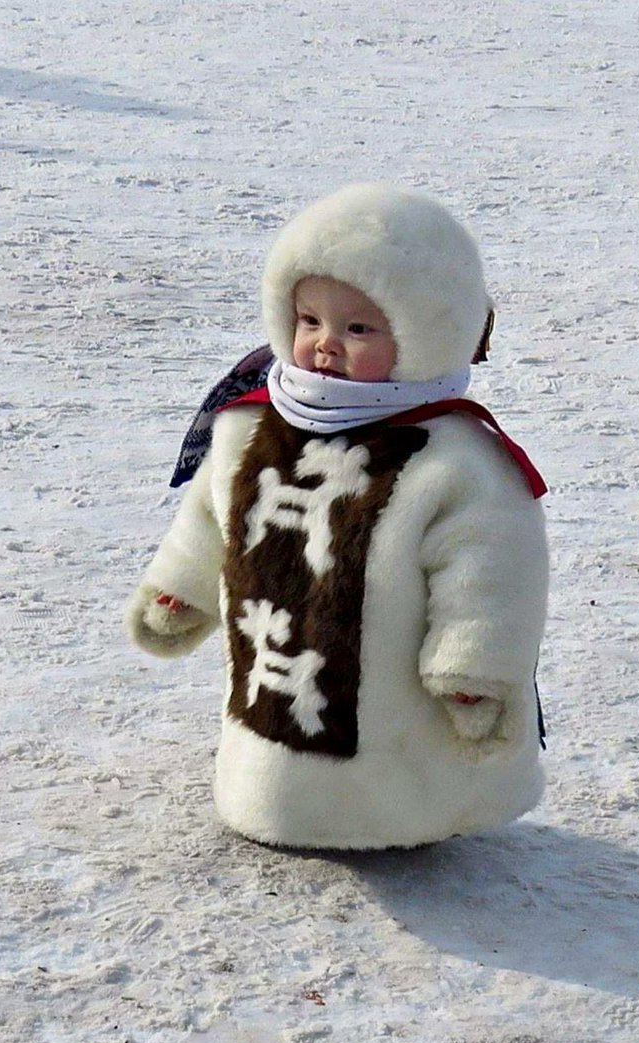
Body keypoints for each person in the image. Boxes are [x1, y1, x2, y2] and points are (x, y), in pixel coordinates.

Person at [125, 183, 549, 850]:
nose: (325, 345)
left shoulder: (456, 463)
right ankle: (277, 804)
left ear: (425, 329)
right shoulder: (253, 425)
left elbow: (493, 575)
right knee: (272, 714)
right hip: (274, 688)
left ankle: (400, 822)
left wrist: (474, 670)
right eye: (310, 320)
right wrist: (181, 586)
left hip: (396, 749)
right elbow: (212, 516)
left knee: (378, 732)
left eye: (358, 328)